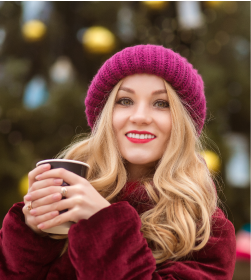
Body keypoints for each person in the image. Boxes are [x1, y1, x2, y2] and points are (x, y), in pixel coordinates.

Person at [0, 45, 236, 279]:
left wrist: (103, 225)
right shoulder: (70, 193)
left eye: (161, 103)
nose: (140, 117)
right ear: (105, 115)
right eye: (125, 101)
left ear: (184, 122)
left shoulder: (207, 231)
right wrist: (31, 232)